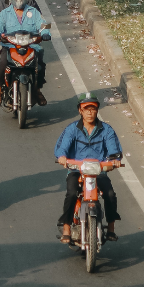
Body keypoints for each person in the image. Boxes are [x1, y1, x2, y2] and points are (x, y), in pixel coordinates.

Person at [55, 93, 123, 244]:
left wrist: (115, 160)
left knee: (110, 195)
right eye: (86, 109)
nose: (89, 112)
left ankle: (111, 228)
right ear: (80, 110)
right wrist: (62, 157)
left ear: (97, 110)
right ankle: (66, 227)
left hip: (98, 172)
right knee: (71, 194)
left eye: (93, 108)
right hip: (76, 171)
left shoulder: (106, 130)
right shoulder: (72, 129)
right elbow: (62, 147)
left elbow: (114, 150)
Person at [0, 0, 50, 104]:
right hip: (9, 45)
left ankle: (37, 90)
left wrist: (45, 33)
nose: (19, 0)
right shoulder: (5, 13)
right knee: (2, 62)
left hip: (30, 45)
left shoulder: (33, 12)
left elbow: (44, 24)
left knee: (40, 65)